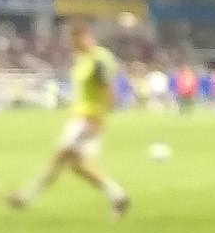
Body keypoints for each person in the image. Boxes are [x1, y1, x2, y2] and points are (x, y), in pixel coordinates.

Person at [8, 22, 130, 218]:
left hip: (88, 119)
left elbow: (108, 91)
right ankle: (117, 195)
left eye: (74, 40)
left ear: (83, 37)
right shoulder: (81, 59)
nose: (72, 45)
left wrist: (98, 118)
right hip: (79, 117)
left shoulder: (99, 59)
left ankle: (25, 196)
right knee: (75, 165)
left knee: (60, 156)